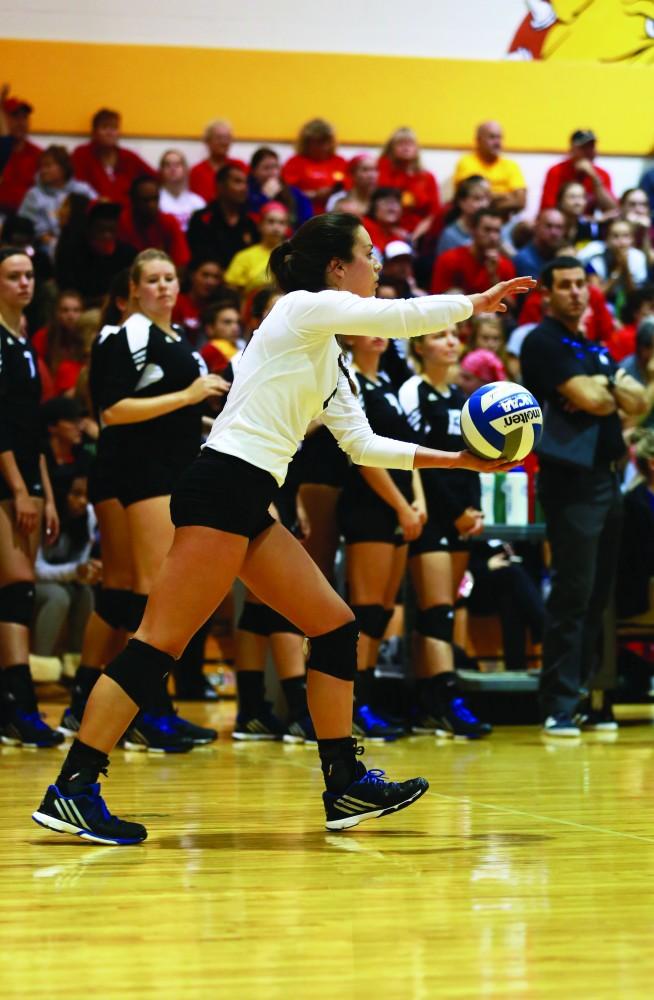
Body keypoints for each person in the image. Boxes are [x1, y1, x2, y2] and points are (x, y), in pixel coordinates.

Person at [32, 213, 533, 844]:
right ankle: (75, 787)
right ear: (336, 268)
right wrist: (477, 303)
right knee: (158, 642)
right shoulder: (300, 309)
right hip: (221, 486)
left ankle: (344, 782)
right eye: (369, 255)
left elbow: (363, 443)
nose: (376, 266)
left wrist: (460, 459)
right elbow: (399, 317)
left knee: (334, 626)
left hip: (248, 499)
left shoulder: (326, 357)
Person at [520, 257, 646, 736]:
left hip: (608, 479)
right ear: (547, 293)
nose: (575, 292)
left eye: (580, 285)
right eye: (565, 285)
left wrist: (603, 387)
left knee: (598, 595)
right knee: (572, 593)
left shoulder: (590, 346)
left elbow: (641, 401)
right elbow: (597, 401)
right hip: (571, 482)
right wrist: (605, 393)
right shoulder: (542, 341)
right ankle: (557, 703)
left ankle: (585, 697)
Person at [399, 327, 490, 738]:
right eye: (439, 335)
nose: (451, 342)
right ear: (419, 347)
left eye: (455, 335)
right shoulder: (412, 392)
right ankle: (445, 702)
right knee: (435, 612)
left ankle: (429, 704)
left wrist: (475, 511)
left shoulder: (463, 401)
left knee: (443, 612)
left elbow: (477, 460)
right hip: (432, 516)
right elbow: (415, 458)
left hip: (460, 518)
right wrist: (454, 512)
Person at [339, 333, 424, 741]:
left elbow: (409, 450)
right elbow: (363, 455)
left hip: (401, 505)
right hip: (370, 504)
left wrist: (417, 500)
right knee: (367, 610)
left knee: (383, 613)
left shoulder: (388, 383)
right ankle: (354, 706)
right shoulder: (350, 378)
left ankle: (368, 702)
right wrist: (401, 506)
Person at [0, 247, 61, 747]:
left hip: (28, 476)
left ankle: (15, 707)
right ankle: (19, 705)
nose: (24, 283)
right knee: (17, 583)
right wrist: (19, 488)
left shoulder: (24, 341)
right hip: (6, 478)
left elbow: (32, 428)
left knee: (18, 587)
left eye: (29, 275)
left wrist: (47, 494)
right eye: (13, 276)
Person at [32, 473, 100, 671]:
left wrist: (90, 570)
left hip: (63, 580)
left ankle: (74, 667)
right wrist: (76, 571)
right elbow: (35, 570)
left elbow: (80, 564)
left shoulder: (89, 516)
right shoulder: (43, 513)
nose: (82, 501)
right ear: (62, 494)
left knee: (85, 594)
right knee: (58, 597)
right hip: (33, 581)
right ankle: (40, 668)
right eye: (76, 494)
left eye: (87, 495)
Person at [55, 200, 136, 306]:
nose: (107, 236)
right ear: (90, 230)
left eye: (111, 230)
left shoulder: (127, 254)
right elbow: (68, 293)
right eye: (101, 230)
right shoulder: (73, 253)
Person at [18, 146, 96, 254]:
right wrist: (49, 240)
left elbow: (96, 214)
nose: (43, 170)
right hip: (44, 248)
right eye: (41, 166)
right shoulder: (34, 195)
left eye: (48, 166)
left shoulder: (82, 190)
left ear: (63, 168)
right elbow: (24, 225)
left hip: (82, 244)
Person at [71, 109, 155, 205]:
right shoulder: (82, 154)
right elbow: (74, 187)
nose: (110, 133)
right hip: (91, 215)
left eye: (114, 128)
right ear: (94, 132)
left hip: (126, 216)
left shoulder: (129, 157)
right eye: (104, 127)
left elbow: (154, 177)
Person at [187, 164, 259, 269]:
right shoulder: (202, 219)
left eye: (245, 183)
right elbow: (197, 257)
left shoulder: (249, 223)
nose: (244, 188)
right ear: (221, 186)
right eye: (237, 182)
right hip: (210, 279)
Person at [431, 208, 516, 295]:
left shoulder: (505, 265)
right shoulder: (449, 259)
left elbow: (511, 307)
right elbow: (436, 300)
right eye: (487, 230)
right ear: (472, 230)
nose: (493, 237)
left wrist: (494, 277)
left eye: (497, 231)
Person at [377, 127, 440, 241]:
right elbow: (375, 207)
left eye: (410, 144)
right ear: (391, 148)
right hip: (385, 230)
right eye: (400, 144)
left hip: (419, 235)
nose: (406, 147)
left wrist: (415, 236)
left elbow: (433, 215)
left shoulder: (427, 177)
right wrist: (392, 230)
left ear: (417, 149)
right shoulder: (381, 171)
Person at [454, 122, 527, 215]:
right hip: (474, 219)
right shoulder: (466, 163)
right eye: (492, 137)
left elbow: (521, 201)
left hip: (505, 220)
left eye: (499, 137)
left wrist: (488, 200)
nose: (497, 142)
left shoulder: (511, 165)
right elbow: (469, 198)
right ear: (478, 140)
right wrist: (506, 196)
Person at [117, 175, 190, 268]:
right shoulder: (122, 222)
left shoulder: (169, 221)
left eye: (155, 199)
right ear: (133, 200)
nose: (151, 205)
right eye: (145, 200)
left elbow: (181, 263)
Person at [540, 130, 617, 214]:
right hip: (563, 222)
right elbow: (548, 208)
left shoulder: (602, 174)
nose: (588, 152)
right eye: (583, 147)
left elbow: (613, 210)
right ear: (572, 149)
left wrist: (594, 177)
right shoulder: (556, 171)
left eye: (591, 147)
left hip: (589, 224)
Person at [281, 119, 348, 214]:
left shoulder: (340, 162)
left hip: (334, 212)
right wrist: (314, 194)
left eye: (325, 141)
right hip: (302, 212)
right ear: (306, 143)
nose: (323, 147)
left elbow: (348, 190)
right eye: (317, 142)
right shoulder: (294, 163)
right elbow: (287, 192)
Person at [582, 219, 649, 311]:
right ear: (607, 240)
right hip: (602, 305)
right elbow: (596, 296)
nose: (621, 241)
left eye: (625, 236)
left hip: (629, 306)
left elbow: (634, 297)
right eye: (615, 236)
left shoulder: (638, 257)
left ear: (632, 239)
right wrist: (617, 272)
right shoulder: (597, 259)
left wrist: (625, 268)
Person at [224, 202, 289, 295]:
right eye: (271, 221)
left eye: (281, 223)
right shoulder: (244, 256)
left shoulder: (292, 255)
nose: (276, 227)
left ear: (287, 228)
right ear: (260, 225)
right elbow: (231, 292)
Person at [31, 289, 84, 395]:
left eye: (76, 310)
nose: (70, 315)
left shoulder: (86, 337)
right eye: (65, 310)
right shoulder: (43, 336)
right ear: (56, 313)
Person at [246, 147, 312, 229]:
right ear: (254, 171)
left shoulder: (294, 193)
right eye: (266, 168)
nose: (272, 173)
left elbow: (306, 220)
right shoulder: (247, 193)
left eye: (275, 167)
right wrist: (265, 198)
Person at [0, 93, 41, 215]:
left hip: (28, 219)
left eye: (24, 117)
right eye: (15, 117)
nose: (21, 122)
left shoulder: (39, 155)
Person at [189, 120, 248, 204]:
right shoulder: (196, 171)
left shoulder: (240, 166)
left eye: (227, 138)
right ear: (207, 141)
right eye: (219, 138)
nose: (224, 142)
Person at [172, 255, 225, 345]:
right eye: (205, 275)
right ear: (192, 275)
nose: (210, 282)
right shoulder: (176, 302)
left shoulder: (221, 308)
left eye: (215, 277)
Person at [436, 176, 491, 256]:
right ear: (462, 202)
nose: (483, 204)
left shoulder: (493, 230)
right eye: (477, 199)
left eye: (486, 199)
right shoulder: (450, 235)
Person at [158, 149, 205, 233]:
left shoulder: (197, 202)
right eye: (167, 165)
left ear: (185, 169)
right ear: (161, 170)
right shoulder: (156, 201)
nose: (172, 169)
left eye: (177, 165)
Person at [514, 209, 566, 277]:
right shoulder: (524, 259)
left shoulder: (560, 254)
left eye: (559, 227)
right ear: (536, 226)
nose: (554, 232)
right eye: (548, 226)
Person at [556, 181, 603, 248]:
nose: (578, 202)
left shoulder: (589, 228)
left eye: (582, 197)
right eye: (572, 197)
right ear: (560, 201)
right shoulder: (552, 226)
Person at [364, 187, 410, 254]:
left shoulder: (402, 237)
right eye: (386, 202)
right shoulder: (361, 228)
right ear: (373, 207)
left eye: (396, 202)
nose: (392, 205)